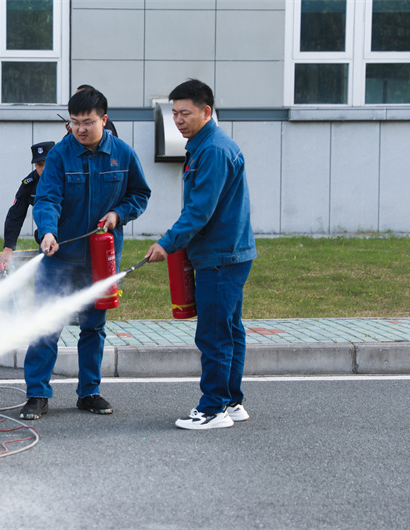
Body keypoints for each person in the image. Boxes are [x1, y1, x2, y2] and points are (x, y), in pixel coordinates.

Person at [20, 87, 151, 420]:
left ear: (103, 120)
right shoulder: (60, 156)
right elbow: (47, 198)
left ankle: (89, 392)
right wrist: (48, 231)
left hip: (101, 260)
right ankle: (37, 394)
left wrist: (119, 214)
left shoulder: (123, 154)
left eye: (87, 122)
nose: (80, 129)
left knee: (93, 327)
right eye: (74, 122)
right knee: (46, 326)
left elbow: (140, 194)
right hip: (59, 258)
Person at [144, 79, 257, 430]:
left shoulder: (213, 151)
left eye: (185, 113)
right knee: (229, 329)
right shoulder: (204, 145)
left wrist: (167, 243)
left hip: (220, 256)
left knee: (214, 333)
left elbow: (199, 210)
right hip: (227, 252)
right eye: (174, 113)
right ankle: (232, 401)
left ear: (206, 111)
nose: (178, 120)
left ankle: (213, 409)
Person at [0, 141, 55, 268]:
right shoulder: (29, 183)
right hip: (46, 235)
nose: (43, 169)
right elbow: (15, 215)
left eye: (47, 163)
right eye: (39, 165)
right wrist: (8, 249)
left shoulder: (68, 178)